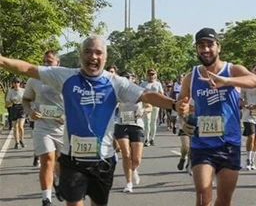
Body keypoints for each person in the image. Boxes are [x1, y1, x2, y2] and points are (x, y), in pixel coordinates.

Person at [0, 35, 188, 206]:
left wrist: (174, 104)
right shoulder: (65, 76)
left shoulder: (116, 82)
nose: (93, 56)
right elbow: (28, 68)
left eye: (98, 52)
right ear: (80, 55)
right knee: (73, 203)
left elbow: (147, 95)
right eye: (88, 52)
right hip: (72, 159)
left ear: (105, 57)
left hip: (103, 160)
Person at [178, 27, 256, 206]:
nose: (206, 49)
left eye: (210, 45)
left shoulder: (232, 70)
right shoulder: (191, 77)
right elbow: (181, 105)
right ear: (197, 49)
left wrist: (227, 81)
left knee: (224, 200)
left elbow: (255, 81)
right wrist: (183, 114)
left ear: (218, 47)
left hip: (229, 143)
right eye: (201, 46)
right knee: (202, 193)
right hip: (202, 144)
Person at [22, 50, 64, 206]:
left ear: (58, 63)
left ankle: (58, 180)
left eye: (50, 61)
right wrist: (30, 112)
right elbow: (26, 100)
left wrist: (67, 116)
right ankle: (46, 199)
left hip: (62, 128)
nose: (46, 64)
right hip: (42, 127)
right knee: (47, 159)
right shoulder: (34, 80)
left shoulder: (65, 80)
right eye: (44, 61)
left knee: (59, 162)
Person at [114, 71, 144, 193]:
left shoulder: (140, 91)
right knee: (126, 154)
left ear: (133, 78)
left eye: (129, 77)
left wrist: (144, 110)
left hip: (137, 126)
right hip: (122, 125)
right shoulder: (117, 92)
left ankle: (134, 169)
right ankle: (128, 183)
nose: (126, 79)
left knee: (136, 159)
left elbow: (149, 106)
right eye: (124, 78)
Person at [140, 68, 164, 146]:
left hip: (155, 105)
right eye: (150, 74)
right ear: (147, 75)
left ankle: (152, 138)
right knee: (147, 121)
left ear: (155, 75)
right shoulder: (143, 84)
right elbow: (139, 94)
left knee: (153, 122)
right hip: (146, 105)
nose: (151, 76)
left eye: (153, 74)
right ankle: (146, 139)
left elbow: (161, 94)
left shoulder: (158, 84)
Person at [6, 77, 26, 149]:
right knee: (15, 127)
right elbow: (7, 101)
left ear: (20, 83)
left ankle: (21, 140)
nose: (16, 84)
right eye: (15, 82)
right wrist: (12, 101)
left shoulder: (23, 90)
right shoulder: (10, 91)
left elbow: (27, 99)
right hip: (14, 108)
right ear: (13, 84)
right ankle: (16, 142)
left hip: (22, 108)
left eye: (18, 82)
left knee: (21, 126)